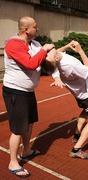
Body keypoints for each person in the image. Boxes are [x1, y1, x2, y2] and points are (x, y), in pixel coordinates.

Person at [2, 16, 55, 178]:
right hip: (15, 91)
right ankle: (12, 162)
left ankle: (26, 150)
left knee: (30, 122)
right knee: (18, 129)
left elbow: (44, 62)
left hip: (28, 91)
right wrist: (45, 50)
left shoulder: (36, 44)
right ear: (26, 29)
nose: (37, 29)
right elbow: (31, 64)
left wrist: (53, 54)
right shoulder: (14, 43)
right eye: (35, 27)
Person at [41, 40, 88, 159]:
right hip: (86, 93)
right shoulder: (70, 66)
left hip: (78, 93)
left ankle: (77, 135)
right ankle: (76, 150)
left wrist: (67, 46)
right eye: (51, 50)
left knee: (85, 111)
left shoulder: (52, 60)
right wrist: (80, 51)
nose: (52, 48)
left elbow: (58, 51)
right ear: (56, 58)